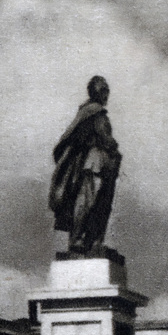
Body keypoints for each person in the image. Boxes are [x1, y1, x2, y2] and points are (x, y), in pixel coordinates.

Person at [49, 75, 123, 255]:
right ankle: (78, 240)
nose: (106, 95)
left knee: (99, 204)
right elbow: (106, 139)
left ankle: (92, 242)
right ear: (96, 92)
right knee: (88, 202)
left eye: (107, 90)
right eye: (103, 90)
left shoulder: (90, 112)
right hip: (94, 164)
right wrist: (113, 147)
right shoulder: (94, 112)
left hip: (102, 166)